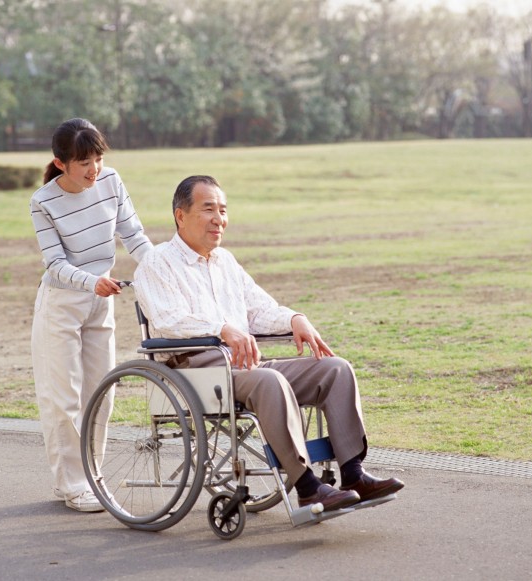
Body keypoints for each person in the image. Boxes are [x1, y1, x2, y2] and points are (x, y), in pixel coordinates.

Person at [134, 175, 404, 512]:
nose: (220, 219)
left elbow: (260, 309)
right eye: (208, 210)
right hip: (197, 369)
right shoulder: (157, 263)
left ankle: (353, 473)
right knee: (269, 380)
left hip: (244, 366)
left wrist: (294, 319)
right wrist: (223, 328)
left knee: (335, 370)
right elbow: (168, 320)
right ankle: (307, 487)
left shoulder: (226, 263)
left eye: (223, 210)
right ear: (180, 216)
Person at [30, 118, 152, 512]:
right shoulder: (42, 202)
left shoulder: (111, 183)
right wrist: (91, 282)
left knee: (102, 393)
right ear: (61, 163)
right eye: (84, 161)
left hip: (101, 299)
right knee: (63, 398)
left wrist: (162, 270)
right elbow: (54, 265)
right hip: (61, 305)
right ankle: (71, 484)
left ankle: (90, 477)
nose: (93, 169)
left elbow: (134, 235)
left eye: (98, 158)